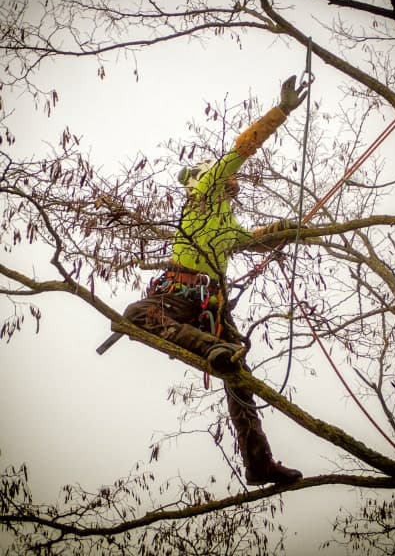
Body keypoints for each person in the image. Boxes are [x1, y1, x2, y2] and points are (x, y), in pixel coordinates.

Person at [103, 76, 307, 485]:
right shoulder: (202, 199)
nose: (233, 181)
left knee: (238, 377)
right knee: (137, 313)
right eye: (224, 179)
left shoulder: (224, 223)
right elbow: (242, 149)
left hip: (208, 303)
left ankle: (258, 462)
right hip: (181, 295)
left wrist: (285, 229)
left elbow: (249, 240)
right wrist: (280, 113)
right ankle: (215, 349)